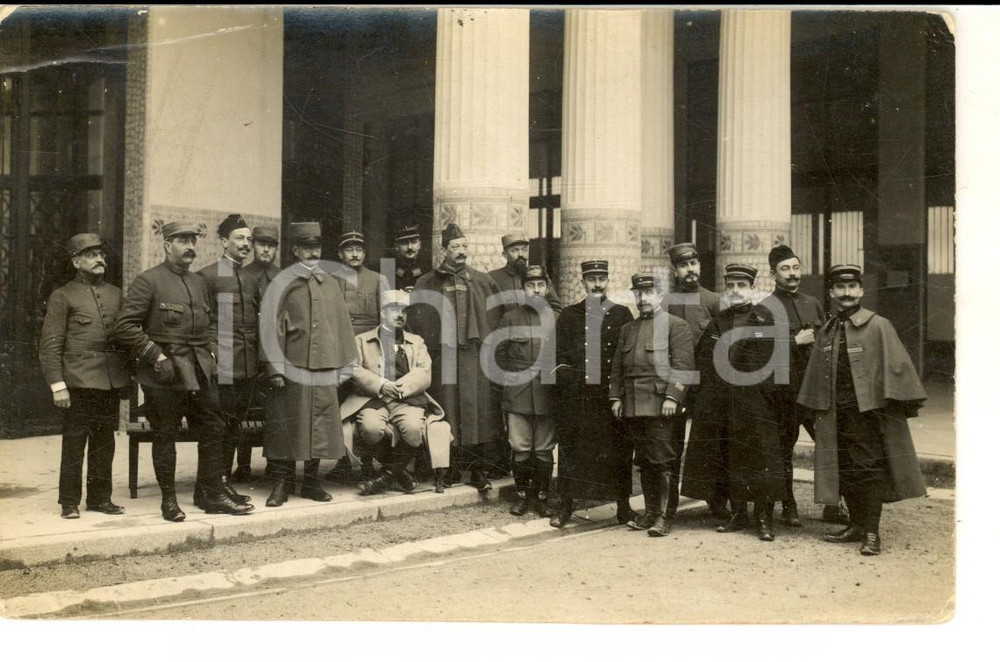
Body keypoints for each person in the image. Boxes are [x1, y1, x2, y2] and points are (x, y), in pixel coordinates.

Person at [113, 221, 253, 521]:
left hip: (199, 368)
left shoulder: (198, 282)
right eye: (183, 241)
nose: (190, 247)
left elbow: (212, 320)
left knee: (213, 427)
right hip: (164, 372)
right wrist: (155, 355)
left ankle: (211, 493)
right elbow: (124, 326)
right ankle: (169, 501)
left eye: (193, 241)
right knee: (166, 434)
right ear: (167, 245)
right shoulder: (148, 281)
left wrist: (212, 349)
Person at [797, 264, 927, 556]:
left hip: (866, 414)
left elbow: (897, 367)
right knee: (844, 469)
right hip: (834, 414)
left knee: (867, 469)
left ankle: (871, 533)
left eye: (852, 287)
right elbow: (817, 372)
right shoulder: (828, 329)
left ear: (861, 290)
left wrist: (885, 405)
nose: (846, 293)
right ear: (831, 292)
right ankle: (856, 525)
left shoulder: (879, 325)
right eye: (840, 288)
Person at [680, 264, 787, 541]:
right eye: (731, 286)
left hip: (757, 404)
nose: (736, 291)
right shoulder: (720, 321)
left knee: (761, 458)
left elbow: (778, 363)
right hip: (723, 403)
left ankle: (764, 518)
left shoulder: (767, 319)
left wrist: (768, 397)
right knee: (729, 457)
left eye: (742, 286)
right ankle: (739, 512)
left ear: (751, 288)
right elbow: (704, 359)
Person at [261, 222, 359, 507]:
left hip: (324, 366)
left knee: (319, 425)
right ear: (295, 250)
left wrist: (344, 366)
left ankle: (311, 482)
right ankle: (282, 484)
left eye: (316, 247)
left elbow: (341, 325)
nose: (312, 252)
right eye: (306, 247)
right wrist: (274, 368)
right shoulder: (281, 283)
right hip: (292, 366)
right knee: (288, 426)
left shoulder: (329, 283)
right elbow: (270, 328)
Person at [407, 222, 503, 491]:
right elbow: (416, 321)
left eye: (464, 246)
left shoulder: (483, 281)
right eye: (455, 247)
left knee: (478, 414)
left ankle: (478, 471)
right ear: (444, 250)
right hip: (443, 359)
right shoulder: (426, 282)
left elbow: (496, 320)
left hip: (475, 358)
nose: (461, 252)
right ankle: (447, 469)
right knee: (446, 412)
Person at [39, 233, 129, 519]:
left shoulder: (116, 294)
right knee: (75, 442)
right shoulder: (62, 295)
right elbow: (50, 344)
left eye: (100, 254)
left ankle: (100, 499)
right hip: (77, 382)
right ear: (76, 261)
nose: (99, 259)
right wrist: (57, 386)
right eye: (91, 255)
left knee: (105, 442)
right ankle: (68, 501)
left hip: (109, 380)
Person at [549, 260, 635, 528]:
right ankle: (565, 507)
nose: (597, 284)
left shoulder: (622, 314)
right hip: (579, 398)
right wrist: (571, 385)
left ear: (608, 280)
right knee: (572, 451)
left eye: (602, 278)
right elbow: (557, 356)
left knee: (620, 451)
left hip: (610, 395)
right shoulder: (569, 315)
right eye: (591, 279)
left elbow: (628, 354)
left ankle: (624, 506)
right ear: (582, 282)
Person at [341, 290, 452, 495]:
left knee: (412, 431)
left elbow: (424, 372)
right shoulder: (362, 340)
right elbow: (353, 368)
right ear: (383, 314)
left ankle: (387, 475)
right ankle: (398, 473)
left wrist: (401, 388)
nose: (400, 315)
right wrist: (381, 384)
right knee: (371, 429)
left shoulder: (416, 341)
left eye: (404, 311)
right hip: (372, 399)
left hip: (407, 399)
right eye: (394, 310)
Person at [610, 272, 695, 537]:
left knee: (663, 462)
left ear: (660, 296)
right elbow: (617, 369)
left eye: (648, 293)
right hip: (634, 405)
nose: (643, 298)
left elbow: (684, 367)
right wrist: (616, 397)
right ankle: (650, 513)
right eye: (638, 293)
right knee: (645, 461)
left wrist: (673, 396)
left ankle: (665, 517)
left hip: (662, 405)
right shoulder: (628, 329)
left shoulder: (675, 325)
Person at [759, 244, 825, 527]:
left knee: (828, 444)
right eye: (785, 269)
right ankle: (789, 505)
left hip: (815, 391)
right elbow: (759, 349)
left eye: (796, 267)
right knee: (784, 449)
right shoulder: (764, 308)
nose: (792, 274)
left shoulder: (813, 303)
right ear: (773, 274)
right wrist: (793, 342)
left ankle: (833, 505)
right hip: (785, 392)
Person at [197, 214, 260, 495]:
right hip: (221, 366)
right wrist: (211, 357)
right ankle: (214, 484)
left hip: (246, 366)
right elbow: (201, 323)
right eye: (239, 238)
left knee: (234, 426)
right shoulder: (208, 276)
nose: (246, 244)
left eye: (249, 239)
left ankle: (222, 482)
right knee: (217, 427)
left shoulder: (249, 278)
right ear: (224, 241)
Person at [663, 242, 724, 519]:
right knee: (671, 445)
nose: (690, 269)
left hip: (708, 386)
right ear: (675, 270)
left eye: (694, 263)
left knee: (711, 441)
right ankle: (669, 505)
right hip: (677, 385)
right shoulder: (666, 303)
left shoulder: (714, 301)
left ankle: (716, 500)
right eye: (684, 265)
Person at [494, 265, 558, 518]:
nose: (536, 290)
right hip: (518, 392)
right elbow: (498, 355)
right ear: (523, 289)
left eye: (541, 285)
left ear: (546, 288)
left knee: (543, 448)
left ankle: (541, 497)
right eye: (531, 286)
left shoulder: (556, 318)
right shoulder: (510, 319)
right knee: (520, 447)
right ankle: (523, 497)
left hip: (547, 392)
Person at [487, 232, 562, 316]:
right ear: (505, 255)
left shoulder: (539, 275)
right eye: (514, 250)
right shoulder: (493, 278)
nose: (521, 254)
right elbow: (489, 313)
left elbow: (556, 309)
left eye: (524, 250)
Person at [337, 230, 389, 336]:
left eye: (359, 250)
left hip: (368, 341)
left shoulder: (378, 279)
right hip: (338, 338)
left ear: (364, 254)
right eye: (349, 250)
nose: (355, 255)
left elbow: (387, 318)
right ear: (340, 254)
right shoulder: (330, 280)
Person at [390, 225, 429, 293]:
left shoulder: (428, 268)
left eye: (414, 242)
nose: (410, 247)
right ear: (396, 247)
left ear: (419, 245)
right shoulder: (389, 268)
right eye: (404, 243)